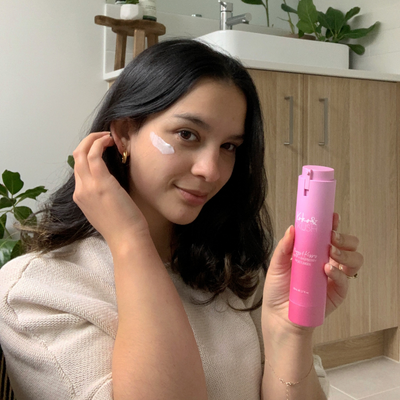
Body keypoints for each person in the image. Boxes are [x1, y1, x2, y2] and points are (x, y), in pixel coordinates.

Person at [0, 39, 362, 400]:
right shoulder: (37, 292)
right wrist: (130, 240)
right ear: (124, 133)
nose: (211, 170)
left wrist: (289, 333)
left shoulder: (232, 267)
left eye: (228, 147)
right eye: (187, 135)